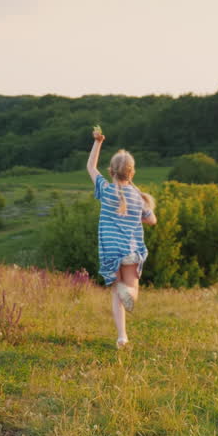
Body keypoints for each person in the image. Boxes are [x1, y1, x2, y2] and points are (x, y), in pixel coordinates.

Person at [86, 128, 157, 349]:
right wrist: (135, 188)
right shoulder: (138, 197)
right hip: (132, 252)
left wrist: (98, 142)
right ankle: (123, 333)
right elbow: (152, 220)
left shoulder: (106, 190)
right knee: (131, 293)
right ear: (132, 172)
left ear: (111, 171)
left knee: (117, 294)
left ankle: (122, 337)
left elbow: (90, 167)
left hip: (111, 252)